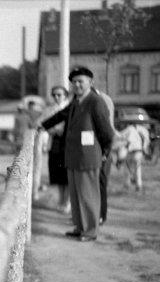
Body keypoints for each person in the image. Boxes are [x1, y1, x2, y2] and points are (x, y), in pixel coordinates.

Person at [41, 66, 114, 242]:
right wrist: (41, 126)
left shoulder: (95, 101)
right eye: (74, 82)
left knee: (88, 195)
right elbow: (59, 116)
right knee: (76, 195)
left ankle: (90, 231)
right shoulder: (76, 102)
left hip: (89, 157)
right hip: (73, 157)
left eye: (81, 81)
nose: (77, 85)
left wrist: (104, 152)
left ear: (90, 82)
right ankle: (80, 227)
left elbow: (107, 132)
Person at [39, 85, 71, 212]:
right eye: (54, 95)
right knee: (57, 174)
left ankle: (67, 202)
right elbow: (43, 124)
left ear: (65, 95)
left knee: (66, 174)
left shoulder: (69, 107)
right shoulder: (49, 110)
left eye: (60, 95)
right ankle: (60, 201)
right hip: (54, 142)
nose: (57, 97)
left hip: (67, 142)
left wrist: (62, 130)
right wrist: (52, 129)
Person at [93, 88, 116, 225]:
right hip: (95, 149)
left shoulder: (102, 100)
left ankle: (101, 215)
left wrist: (105, 152)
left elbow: (109, 133)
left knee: (101, 183)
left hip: (103, 150)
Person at [118, 120, 150, 191]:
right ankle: (139, 185)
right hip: (139, 151)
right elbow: (147, 140)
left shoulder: (128, 129)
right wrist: (144, 149)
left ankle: (127, 185)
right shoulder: (143, 129)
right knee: (138, 169)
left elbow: (120, 136)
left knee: (127, 169)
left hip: (130, 151)